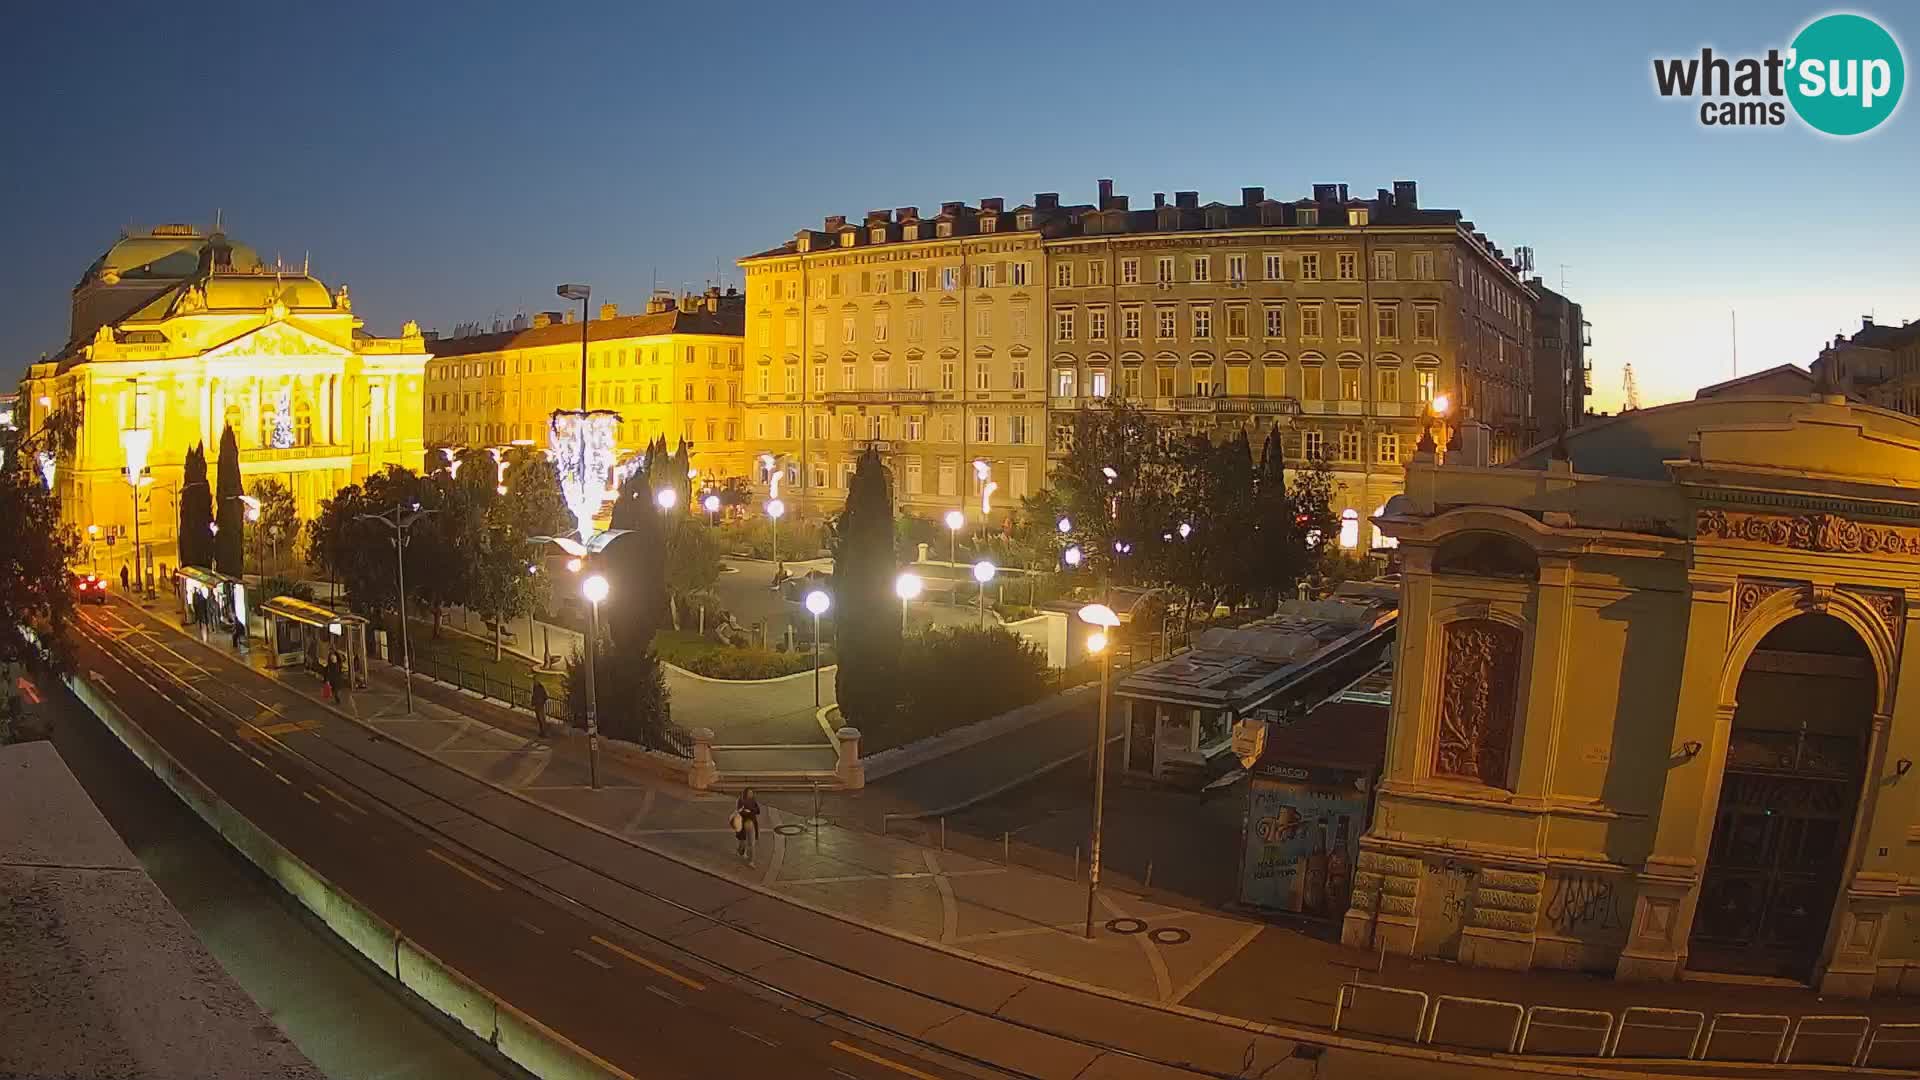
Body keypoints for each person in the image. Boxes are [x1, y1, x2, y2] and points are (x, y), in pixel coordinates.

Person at [734, 788, 761, 861]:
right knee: (743, 842)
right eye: (749, 793)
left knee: (751, 843)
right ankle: (740, 851)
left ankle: (751, 860)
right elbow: (740, 811)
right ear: (746, 793)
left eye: (751, 793)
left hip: (751, 823)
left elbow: (758, 810)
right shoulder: (740, 800)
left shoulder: (753, 800)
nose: (751, 794)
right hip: (742, 823)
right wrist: (749, 811)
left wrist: (750, 810)